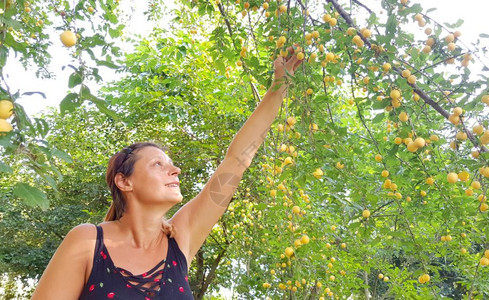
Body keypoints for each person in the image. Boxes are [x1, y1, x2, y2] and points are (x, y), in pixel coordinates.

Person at [31, 47, 302, 299]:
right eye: (158, 164)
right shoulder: (88, 241)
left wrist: (279, 88)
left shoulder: (181, 238)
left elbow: (237, 161)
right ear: (124, 181)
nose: (176, 170)